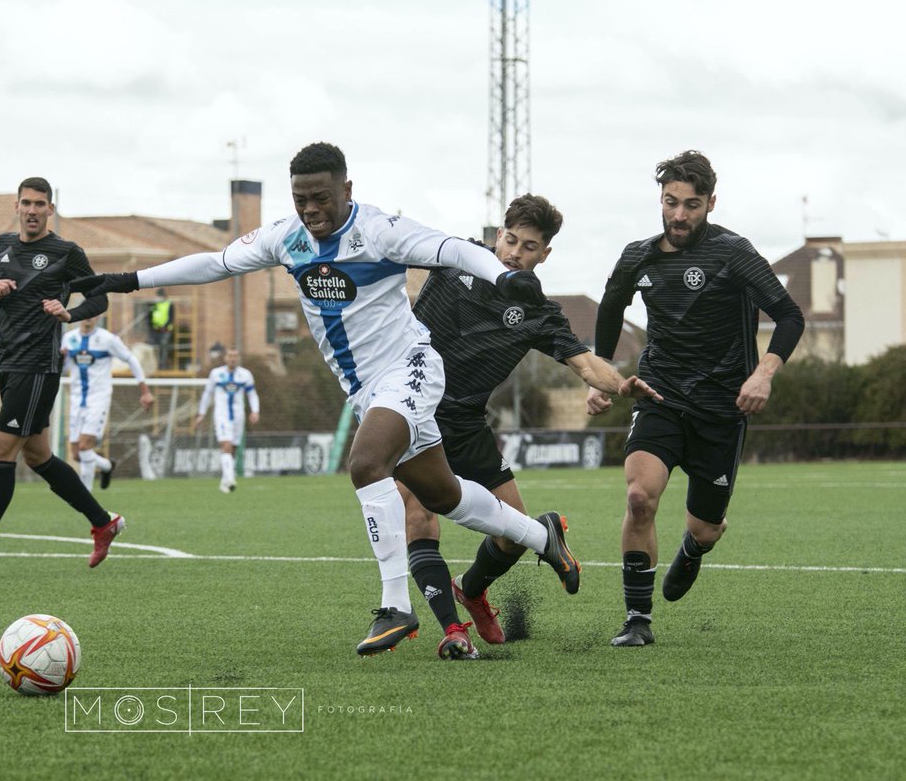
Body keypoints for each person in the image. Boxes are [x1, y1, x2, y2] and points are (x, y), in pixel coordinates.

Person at [69, 142, 578, 657]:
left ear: (347, 191)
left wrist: (505, 275)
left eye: (321, 198)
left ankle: (396, 605)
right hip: (366, 391)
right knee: (444, 495)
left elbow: (451, 249)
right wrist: (125, 281)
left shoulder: (378, 231)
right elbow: (216, 263)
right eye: (300, 199)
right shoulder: (287, 239)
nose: (310, 210)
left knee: (365, 463)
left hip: (412, 367)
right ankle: (542, 538)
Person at [399, 194, 661, 657]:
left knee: (514, 531)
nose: (514, 253)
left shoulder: (538, 312)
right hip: (410, 409)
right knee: (418, 513)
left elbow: (585, 364)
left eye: (529, 246)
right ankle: (452, 630)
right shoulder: (452, 257)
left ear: (545, 254)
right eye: (511, 239)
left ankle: (472, 590)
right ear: (498, 234)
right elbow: (392, 248)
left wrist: (620, 385)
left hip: (464, 423)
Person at [588, 151, 804, 647]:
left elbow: (789, 315)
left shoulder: (734, 253)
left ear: (710, 203)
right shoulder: (637, 255)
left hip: (722, 409)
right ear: (660, 200)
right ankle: (637, 621)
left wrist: (764, 374)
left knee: (706, 528)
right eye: (670, 203)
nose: (679, 215)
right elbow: (610, 310)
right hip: (659, 393)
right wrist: (600, 378)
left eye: (691, 204)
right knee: (639, 496)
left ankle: (694, 546)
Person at [0, 178, 126, 576]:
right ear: (16, 206)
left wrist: (70, 313)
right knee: (37, 456)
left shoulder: (66, 253)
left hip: (38, 367)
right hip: (10, 364)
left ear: (50, 209)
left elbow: (100, 296)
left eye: (40, 204)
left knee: (0, 453)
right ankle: (103, 522)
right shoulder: (3, 245)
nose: (32, 210)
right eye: (26, 203)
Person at [61, 314, 154, 490]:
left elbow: (131, 359)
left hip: (98, 398)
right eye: (86, 312)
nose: (89, 317)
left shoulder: (108, 339)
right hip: (76, 399)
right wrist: (62, 359)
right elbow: (64, 368)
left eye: (93, 313)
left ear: (98, 317)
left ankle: (85, 498)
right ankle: (107, 466)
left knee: (85, 445)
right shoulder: (69, 338)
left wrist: (145, 391)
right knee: (77, 454)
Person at [193, 348, 260, 493]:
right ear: (225, 358)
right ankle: (230, 479)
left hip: (238, 416)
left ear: (238, 358)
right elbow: (207, 394)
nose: (232, 359)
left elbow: (252, 394)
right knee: (227, 445)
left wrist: (255, 410)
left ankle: (225, 481)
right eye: (230, 356)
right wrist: (201, 413)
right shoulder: (216, 374)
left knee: (233, 449)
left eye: (235, 356)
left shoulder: (245, 375)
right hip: (222, 415)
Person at [148, 288, 175, 370]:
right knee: (154, 348)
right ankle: (154, 366)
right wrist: (152, 326)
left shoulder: (169, 304)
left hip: (165, 330)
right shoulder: (155, 304)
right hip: (155, 329)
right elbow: (150, 316)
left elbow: (171, 317)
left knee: (163, 348)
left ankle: (162, 367)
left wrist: (165, 326)